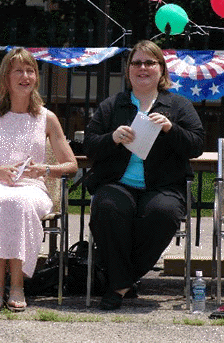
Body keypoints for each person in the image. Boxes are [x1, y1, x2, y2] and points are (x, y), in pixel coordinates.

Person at [83, 40, 205, 310]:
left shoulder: (178, 105)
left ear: (161, 69)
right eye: (136, 62)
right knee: (107, 208)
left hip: (164, 186)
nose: (143, 68)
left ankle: (118, 283)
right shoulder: (113, 105)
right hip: (118, 183)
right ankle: (123, 282)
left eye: (150, 62)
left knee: (162, 213)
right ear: (128, 70)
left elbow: (196, 145)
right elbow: (90, 145)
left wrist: (172, 129)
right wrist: (112, 138)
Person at [0, 47, 77, 311]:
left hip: (31, 186)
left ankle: (17, 285)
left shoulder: (47, 118)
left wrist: (45, 170)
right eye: (19, 71)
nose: (25, 76)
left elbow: (70, 165)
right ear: (6, 78)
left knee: (20, 203)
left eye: (31, 71)